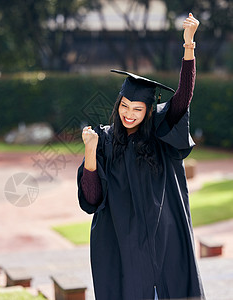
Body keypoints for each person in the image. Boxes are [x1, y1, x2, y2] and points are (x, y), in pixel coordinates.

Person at [77, 13, 205, 300]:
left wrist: (188, 45)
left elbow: (183, 97)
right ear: (118, 104)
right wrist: (89, 152)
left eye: (138, 108)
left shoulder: (160, 131)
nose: (129, 114)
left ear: (149, 110)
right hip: (124, 243)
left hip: (165, 238)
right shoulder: (105, 140)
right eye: (125, 106)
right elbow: (93, 198)